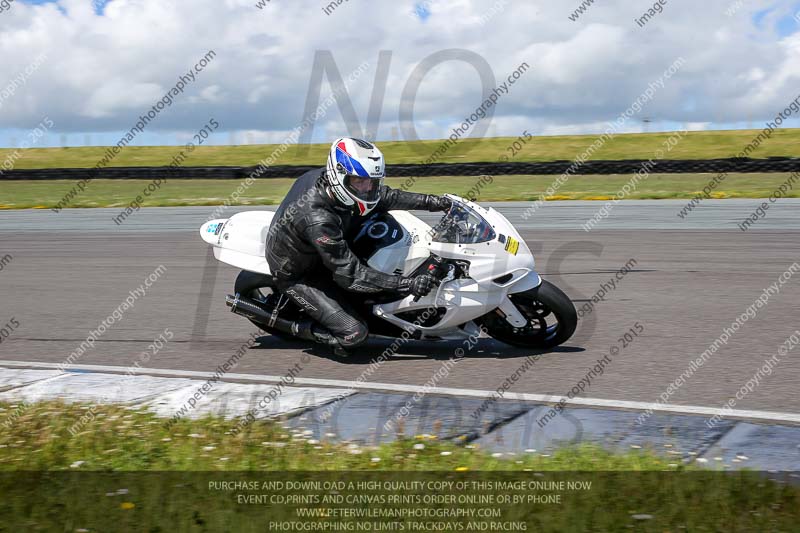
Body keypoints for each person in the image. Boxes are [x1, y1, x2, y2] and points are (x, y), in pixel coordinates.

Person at [264, 137, 452, 357]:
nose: (367, 188)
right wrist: (406, 284)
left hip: (327, 242)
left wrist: (436, 202)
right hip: (301, 273)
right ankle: (304, 329)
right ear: (338, 175)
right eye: (360, 181)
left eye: (372, 181)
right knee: (355, 334)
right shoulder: (319, 219)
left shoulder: (342, 188)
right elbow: (350, 274)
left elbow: (388, 197)